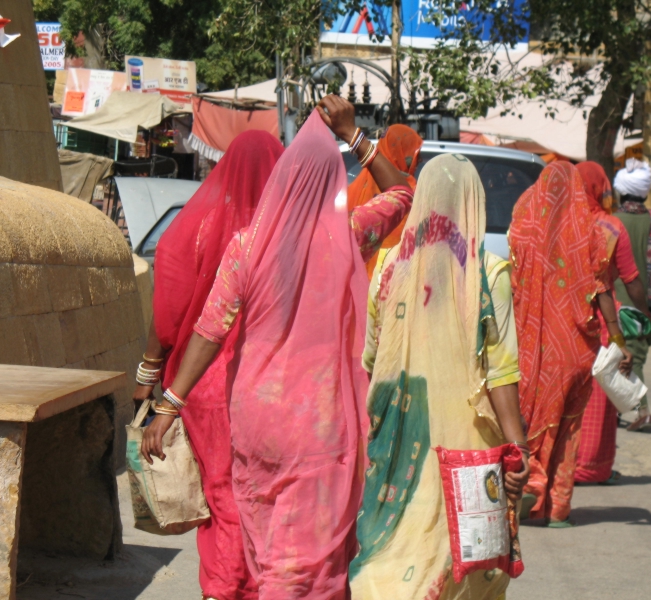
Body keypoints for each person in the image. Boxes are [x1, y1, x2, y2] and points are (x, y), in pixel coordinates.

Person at [141, 95, 413, 599]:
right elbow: (403, 192)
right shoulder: (350, 235)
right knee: (308, 560)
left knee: (266, 546)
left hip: (257, 420)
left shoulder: (247, 245)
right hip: (319, 423)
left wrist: (168, 405)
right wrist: (353, 136)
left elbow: (209, 330)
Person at [349, 154, 530, 600]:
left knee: (391, 546)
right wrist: (518, 447)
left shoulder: (389, 268)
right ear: (475, 202)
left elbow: (371, 359)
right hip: (469, 449)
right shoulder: (490, 273)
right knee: (465, 560)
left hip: (398, 437)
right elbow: (501, 372)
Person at [133, 130, 284, 600]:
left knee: (222, 498)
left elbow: (168, 318)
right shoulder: (290, 236)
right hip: (276, 389)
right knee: (268, 500)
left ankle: (222, 589)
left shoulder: (194, 228)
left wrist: (150, 377)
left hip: (204, 387)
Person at [508, 162, 632, 527]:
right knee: (568, 425)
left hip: (533, 346)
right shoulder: (590, 233)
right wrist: (619, 339)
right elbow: (603, 289)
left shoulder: (524, 226)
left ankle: (532, 495)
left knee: (533, 419)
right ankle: (558, 509)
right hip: (578, 347)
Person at [572, 162, 651, 485]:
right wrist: (644, 315)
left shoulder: (562, 225)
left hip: (563, 320)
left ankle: (559, 463)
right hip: (602, 320)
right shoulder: (609, 227)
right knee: (599, 396)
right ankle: (591, 466)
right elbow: (630, 279)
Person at [613, 158, 651, 432]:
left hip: (619, 305)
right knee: (631, 358)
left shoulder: (612, 222)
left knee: (626, 361)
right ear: (645, 192)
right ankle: (615, 411)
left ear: (620, 192)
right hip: (650, 303)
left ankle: (642, 411)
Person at [347, 124, 423, 278]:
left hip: (357, 284)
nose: (419, 159)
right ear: (401, 153)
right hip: (393, 285)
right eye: (415, 153)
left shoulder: (355, 186)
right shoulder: (411, 192)